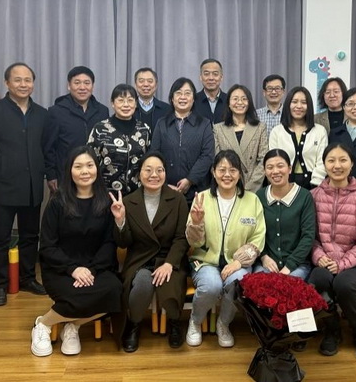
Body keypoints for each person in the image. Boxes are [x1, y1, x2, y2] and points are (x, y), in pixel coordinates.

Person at [30, 146, 123, 357]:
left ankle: (73, 326)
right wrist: (73, 269)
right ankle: (43, 324)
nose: (85, 171)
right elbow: (47, 246)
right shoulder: (57, 202)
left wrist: (91, 270)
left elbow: (109, 243)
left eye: (90, 165)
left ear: (97, 168)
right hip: (61, 269)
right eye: (78, 166)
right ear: (69, 171)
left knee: (115, 291)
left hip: (95, 268)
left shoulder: (106, 201)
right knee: (74, 295)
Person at [0, 62, 48, 306]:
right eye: (17, 80)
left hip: (32, 187)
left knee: (30, 236)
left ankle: (27, 278)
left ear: (33, 83)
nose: (23, 84)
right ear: (7, 83)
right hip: (3, 187)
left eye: (28, 80)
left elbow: (45, 148)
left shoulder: (42, 114)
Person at [185, 150, 266, 348]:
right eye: (222, 170)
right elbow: (193, 242)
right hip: (205, 260)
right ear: (213, 172)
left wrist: (238, 262)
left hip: (238, 262)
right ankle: (195, 321)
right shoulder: (202, 198)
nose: (227, 175)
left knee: (238, 282)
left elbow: (258, 238)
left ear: (239, 174)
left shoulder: (252, 200)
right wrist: (196, 223)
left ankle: (223, 323)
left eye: (233, 170)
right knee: (211, 286)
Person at [113, 151, 190, 352]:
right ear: (139, 174)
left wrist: (169, 263)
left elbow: (181, 238)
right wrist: (120, 221)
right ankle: (134, 324)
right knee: (142, 283)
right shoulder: (128, 202)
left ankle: (175, 322)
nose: (154, 175)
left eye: (159, 170)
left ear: (165, 173)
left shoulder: (178, 200)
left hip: (169, 258)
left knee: (170, 284)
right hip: (140, 260)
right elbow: (123, 243)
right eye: (148, 170)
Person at [310, 142, 356, 361]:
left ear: (352, 163)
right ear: (324, 164)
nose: (337, 165)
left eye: (342, 160)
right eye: (331, 160)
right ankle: (332, 328)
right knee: (317, 279)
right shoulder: (313, 196)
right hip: (324, 260)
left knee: (344, 284)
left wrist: (342, 264)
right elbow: (310, 237)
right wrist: (320, 257)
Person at [44, 66, 109, 193]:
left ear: (93, 86)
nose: (82, 87)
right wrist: (51, 175)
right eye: (77, 83)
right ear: (69, 86)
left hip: (94, 175)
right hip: (65, 176)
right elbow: (49, 147)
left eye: (87, 83)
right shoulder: (56, 111)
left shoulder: (102, 111)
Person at [151, 77, 215, 205]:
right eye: (178, 93)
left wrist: (190, 180)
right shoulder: (162, 123)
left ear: (193, 98)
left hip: (197, 191)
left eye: (187, 93)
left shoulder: (204, 124)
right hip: (165, 190)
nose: (183, 97)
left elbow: (207, 156)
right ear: (172, 98)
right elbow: (154, 154)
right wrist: (164, 183)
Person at [255, 149, 315, 279]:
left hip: (297, 265)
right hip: (266, 263)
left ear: (289, 168)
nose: (275, 171)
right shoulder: (259, 196)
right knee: (259, 285)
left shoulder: (304, 196)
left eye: (280, 166)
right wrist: (264, 257)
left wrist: (289, 266)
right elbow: (254, 233)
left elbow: (308, 236)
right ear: (264, 171)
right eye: (270, 167)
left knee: (287, 286)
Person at [88, 84, 151, 195]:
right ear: (112, 103)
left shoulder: (144, 130)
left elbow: (149, 161)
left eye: (130, 100)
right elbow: (90, 161)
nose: (126, 105)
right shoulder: (100, 129)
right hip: (105, 194)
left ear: (136, 103)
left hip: (137, 195)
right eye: (120, 100)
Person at [268, 86, 327, 190]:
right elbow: (273, 162)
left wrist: (315, 185)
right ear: (288, 105)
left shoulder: (320, 131)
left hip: (314, 186)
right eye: (294, 102)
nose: (299, 106)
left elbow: (322, 161)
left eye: (304, 102)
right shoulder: (277, 132)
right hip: (283, 185)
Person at [214, 84, 268, 192]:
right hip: (227, 185)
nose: (239, 102)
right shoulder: (218, 129)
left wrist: (249, 187)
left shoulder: (260, 127)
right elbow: (217, 161)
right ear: (229, 103)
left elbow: (264, 160)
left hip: (253, 187)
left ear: (249, 103)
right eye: (235, 99)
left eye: (244, 99)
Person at [194, 58, 227, 123]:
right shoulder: (193, 101)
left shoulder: (229, 100)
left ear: (221, 77)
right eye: (206, 74)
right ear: (200, 77)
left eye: (215, 74)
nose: (211, 78)